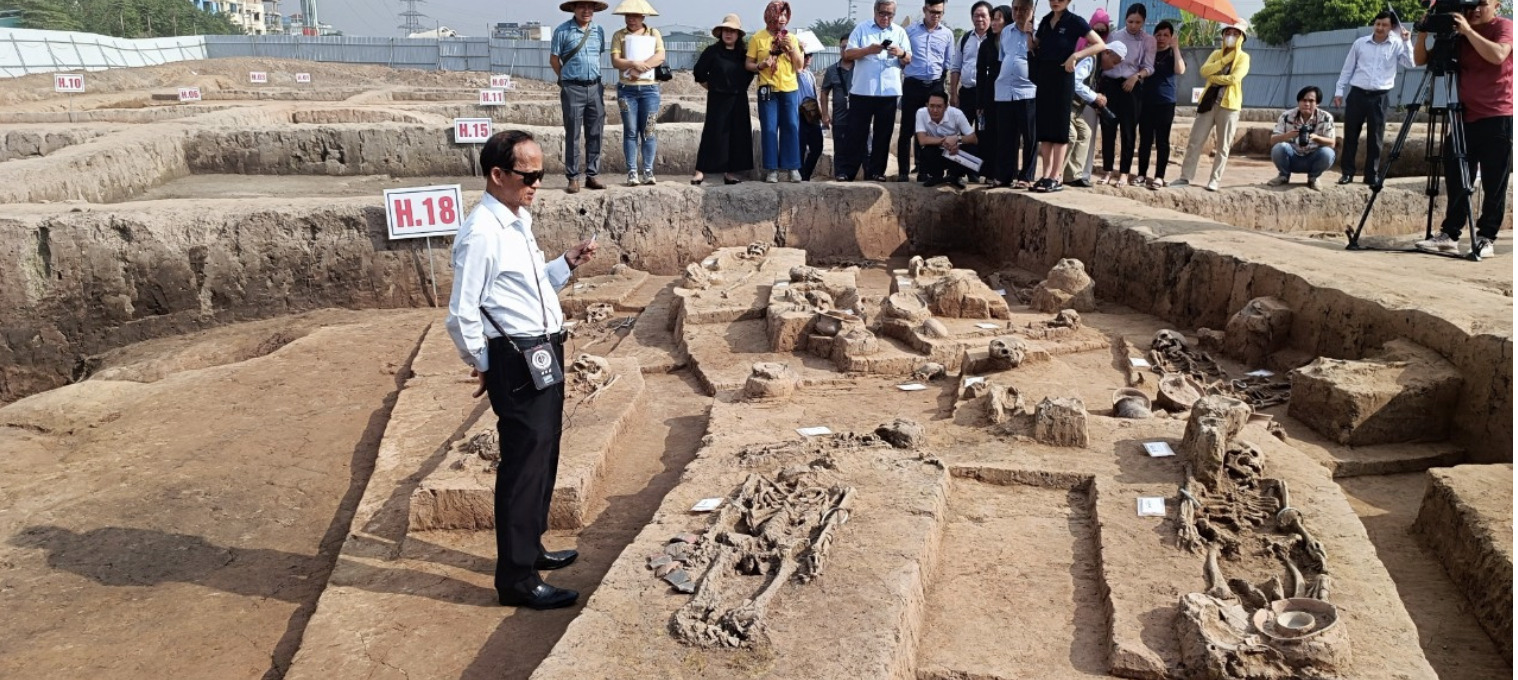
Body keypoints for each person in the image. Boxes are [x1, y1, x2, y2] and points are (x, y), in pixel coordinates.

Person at [445, 129, 599, 610]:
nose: (536, 183)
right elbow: (462, 312)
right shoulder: (482, 233)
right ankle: (515, 578)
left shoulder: (516, 219)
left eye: (541, 173)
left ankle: (530, 549)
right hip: (516, 357)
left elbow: (529, 287)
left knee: (544, 454)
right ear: (497, 175)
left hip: (542, 352)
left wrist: (566, 263)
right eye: (527, 174)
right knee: (522, 466)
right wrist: (484, 363)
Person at [1412, 0, 1512, 258]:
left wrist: (1468, 31)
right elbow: (1422, 60)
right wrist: (1425, 30)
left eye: (1482, 4)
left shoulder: (1504, 26)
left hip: (1498, 115)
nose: (1476, 10)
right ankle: (1450, 234)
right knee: (1456, 175)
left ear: (1496, 5)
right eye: (1471, 5)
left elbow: (1499, 54)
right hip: (1464, 116)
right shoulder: (1460, 33)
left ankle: (1486, 237)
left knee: (1494, 181)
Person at [1029, 0, 1106, 193]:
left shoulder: (1075, 21)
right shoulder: (1046, 21)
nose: (1056, 2)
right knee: (1045, 128)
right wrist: (1028, 31)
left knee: (1060, 128)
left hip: (1064, 76)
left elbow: (1100, 44)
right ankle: (1045, 175)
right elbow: (1034, 45)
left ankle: (1056, 176)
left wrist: (1076, 56)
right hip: (1044, 76)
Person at [1333, 11, 1415, 185]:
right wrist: (1339, 91)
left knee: (1375, 138)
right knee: (1350, 135)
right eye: (1377, 24)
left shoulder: (1397, 44)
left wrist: (1407, 41)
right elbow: (1348, 68)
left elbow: (1410, 63)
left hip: (1380, 97)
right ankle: (1347, 173)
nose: (1379, 28)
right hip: (1357, 94)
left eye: (1384, 25)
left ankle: (1371, 175)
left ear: (1391, 27)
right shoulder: (1360, 43)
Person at [1172, 20, 1250, 192]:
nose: (1231, 36)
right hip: (1209, 101)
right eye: (1228, 33)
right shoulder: (1216, 54)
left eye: (1235, 34)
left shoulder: (1244, 58)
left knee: (1223, 145)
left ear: (1241, 38)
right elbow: (1204, 71)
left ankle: (1214, 180)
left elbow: (1234, 79)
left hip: (1229, 105)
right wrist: (1224, 61)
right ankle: (1185, 176)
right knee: (1195, 140)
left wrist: (1214, 78)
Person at [840, 0, 913, 182]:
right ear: (875, 11)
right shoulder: (862, 29)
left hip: (888, 92)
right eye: (882, 13)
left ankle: (876, 172)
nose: (886, 18)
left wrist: (901, 53)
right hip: (863, 90)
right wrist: (868, 50)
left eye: (890, 14)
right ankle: (847, 171)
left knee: (883, 135)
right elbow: (847, 54)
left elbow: (909, 58)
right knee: (856, 133)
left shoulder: (899, 32)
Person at [551, 0, 609, 194]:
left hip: (595, 87)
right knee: (573, 134)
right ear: (573, 9)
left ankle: (592, 175)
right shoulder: (562, 31)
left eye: (590, 7)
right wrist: (566, 80)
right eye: (582, 7)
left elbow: (597, 56)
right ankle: (573, 177)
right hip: (572, 88)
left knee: (595, 132)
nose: (586, 11)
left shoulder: (599, 30)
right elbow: (554, 59)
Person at [692, 14, 755, 186]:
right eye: (726, 30)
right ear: (721, 32)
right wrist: (712, 87)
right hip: (718, 98)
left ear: (738, 35)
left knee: (736, 134)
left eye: (733, 31)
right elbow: (699, 72)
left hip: (738, 99)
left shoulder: (743, 54)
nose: (729, 34)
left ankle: (730, 172)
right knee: (712, 132)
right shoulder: (712, 52)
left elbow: (750, 73)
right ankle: (700, 171)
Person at [609, 0, 666, 186]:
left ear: (643, 17)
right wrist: (633, 64)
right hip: (627, 90)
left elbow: (660, 56)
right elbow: (616, 61)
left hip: (650, 89)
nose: (631, 19)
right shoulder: (619, 35)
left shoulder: (653, 33)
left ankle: (648, 170)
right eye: (628, 15)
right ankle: (632, 171)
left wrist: (640, 69)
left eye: (635, 16)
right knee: (631, 131)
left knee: (649, 131)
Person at [1098, 3, 1155, 186]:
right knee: (1108, 128)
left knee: (1128, 131)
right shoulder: (1115, 35)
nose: (1133, 25)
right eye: (1130, 21)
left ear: (1143, 22)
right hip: (1111, 84)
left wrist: (1136, 77)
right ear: (1125, 20)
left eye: (1138, 22)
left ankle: (1124, 172)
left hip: (1132, 86)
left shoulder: (1148, 40)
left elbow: (1149, 67)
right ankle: (1107, 170)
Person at [747, 1, 804, 183]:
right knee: (770, 129)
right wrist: (760, 66)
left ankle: (792, 167)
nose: (782, 18)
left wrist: (792, 48)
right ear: (770, 15)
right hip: (768, 88)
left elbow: (799, 66)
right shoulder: (758, 38)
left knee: (791, 127)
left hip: (789, 88)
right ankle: (772, 169)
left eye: (785, 15)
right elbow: (748, 64)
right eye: (779, 14)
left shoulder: (792, 38)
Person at [898, 0, 955, 181]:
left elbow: (948, 62)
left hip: (935, 85)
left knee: (931, 130)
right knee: (907, 129)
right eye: (932, 11)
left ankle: (924, 170)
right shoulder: (910, 32)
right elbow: (902, 58)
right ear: (924, 10)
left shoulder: (947, 35)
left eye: (940, 12)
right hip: (913, 84)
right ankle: (903, 172)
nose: (935, 16)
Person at [1066, 41, 1129, 187]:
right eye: (1114, 62)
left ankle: (1073, 176)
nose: (1113, 66)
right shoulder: (1090, 60)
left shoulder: (1098, 66)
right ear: (1106, 52)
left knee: (1085, 133)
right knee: (1071, 136)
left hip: (1076, 108)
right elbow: (1074, 83)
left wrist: (1096, 100)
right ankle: (1056, 175)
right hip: (1066, 105)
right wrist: (1095, 97)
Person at [991, 1, 1036, 189]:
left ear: (1031, 10)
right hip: (1004, 90)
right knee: (1006, 136)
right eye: (1016, 9)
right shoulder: (1006, 32)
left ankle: (1026, 176)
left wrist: (1029, 32)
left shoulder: (1038, 30)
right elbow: (1003, 57)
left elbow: (1037, 55)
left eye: (1024, 9)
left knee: (1029, 136)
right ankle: (1005, 175)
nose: (1019, 13)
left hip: (1027, 90)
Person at [949, 1, 993, 182]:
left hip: (987, 96)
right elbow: (956, 67)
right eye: (976, 15)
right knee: (961, 134)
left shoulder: (996, 40)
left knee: (983, 133)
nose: (980, 19)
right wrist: (953, 93)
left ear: (990, 18)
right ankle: (957, 171)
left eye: (984, 15)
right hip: (967, 94)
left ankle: (978, 172)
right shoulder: (965, 38)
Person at [1136, 19, 1183, 189]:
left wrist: (1176, 48)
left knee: (1162, 141)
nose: (1161, 38)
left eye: (1166, 35)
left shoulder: (1172, 54)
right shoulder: (1148, 53)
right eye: (1158, 34)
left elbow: (1180, 70)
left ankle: (1159, 176)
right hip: (1146, 101)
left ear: (1171, 37)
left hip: (1166, 102)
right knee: (1145, 140)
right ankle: (1141, 174)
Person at [1266, 85, 1337, 191]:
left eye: (1311, 101)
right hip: (1292, 157)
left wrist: (1316, 138)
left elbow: (1332, 143)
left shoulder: (1325, 117)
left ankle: (1313, 178)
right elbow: (1272, 140)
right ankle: (1283, 176)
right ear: (1298, 102)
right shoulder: (1286, 116)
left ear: (1317, 103)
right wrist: (1288, 136)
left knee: (1328, 153)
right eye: (1303, 100)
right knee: (1279, 148)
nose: (1307, 104)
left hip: (1313, 158)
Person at [1072, 7, 1110, 185]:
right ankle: (1073, 174)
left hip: (1091, 100)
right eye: (1097, 30)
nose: (1100, 34)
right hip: (1080, 99)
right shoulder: (1084, 48)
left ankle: (1084, 173)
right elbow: (1077, 80)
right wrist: (1094, 96)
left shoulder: (1103, 50)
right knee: (1076, 136)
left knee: (1089, 136)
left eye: (1103, 31)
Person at [916, 90, 980, 188]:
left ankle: (955, 176)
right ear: (927, 105)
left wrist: (957, 139)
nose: (935, 110)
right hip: (937, 151)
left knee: (972, 152)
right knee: (925, 150)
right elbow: (922, 140)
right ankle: (936, 176)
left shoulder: (957, 114)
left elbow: (973, 139)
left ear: (946, 107)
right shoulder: (921, 113)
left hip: (954, 152)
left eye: (939, 106)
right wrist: (944, 141)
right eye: (931, 106)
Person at [821, 35, 856, 177]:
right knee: (840, 149)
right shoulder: (831, 70)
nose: (846, 50)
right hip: (840, 116)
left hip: (858, 116)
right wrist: (824, 114)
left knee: (865, 148)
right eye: (843, 47)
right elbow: (824, 92)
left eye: (849, 47)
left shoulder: (861, 68)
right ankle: (841, 174)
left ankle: (866, 175)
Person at [797, 45, 827, 180]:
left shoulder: (810, 75)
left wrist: (820, 114)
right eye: (805, 55)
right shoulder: (794, 73)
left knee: (817, 147)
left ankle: (805, 174)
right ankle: (799, 175)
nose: (808, 58)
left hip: (812, 114)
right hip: (799, 113)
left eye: (810, 55)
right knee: (800, 148)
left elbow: (815, 95)